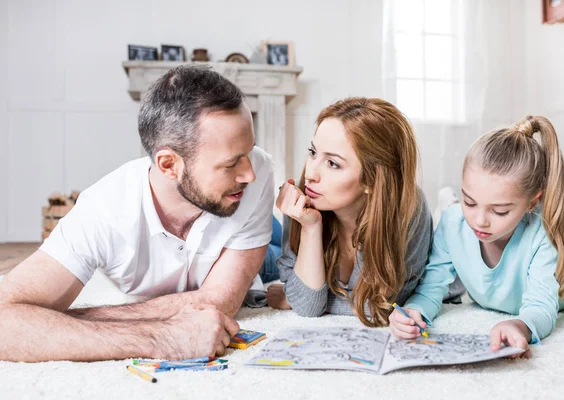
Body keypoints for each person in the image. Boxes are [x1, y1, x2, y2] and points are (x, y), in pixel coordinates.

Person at [0, 65, 275, 362]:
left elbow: (219, 302)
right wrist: (158, 337)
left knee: (289, 253)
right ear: (169, 165)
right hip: (225, 229)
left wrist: (60, 322)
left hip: (253, 242)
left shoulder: (257, 171)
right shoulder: (104, 211)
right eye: (231, 163)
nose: (249, 173)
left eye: (249, 152)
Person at [391, 115, 564, 357]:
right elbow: (431, 287)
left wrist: (519, 326)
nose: (479, 221)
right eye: (469, 202)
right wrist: (414, 310)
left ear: (533, 202)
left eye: (499, 211)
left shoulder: (541, 235)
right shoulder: (452, 222)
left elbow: (542, 306)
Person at [267, 97, 448, 327]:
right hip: (281, 234)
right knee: (256, 252)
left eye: (332, 163)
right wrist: (310, 227)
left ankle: (446, 205)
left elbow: (382, 307)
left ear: (372, 180)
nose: (311, 173)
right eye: (313, 152)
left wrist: (295, 295)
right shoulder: (305, 197)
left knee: (265, 258)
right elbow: (308, 307)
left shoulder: (408, 209)